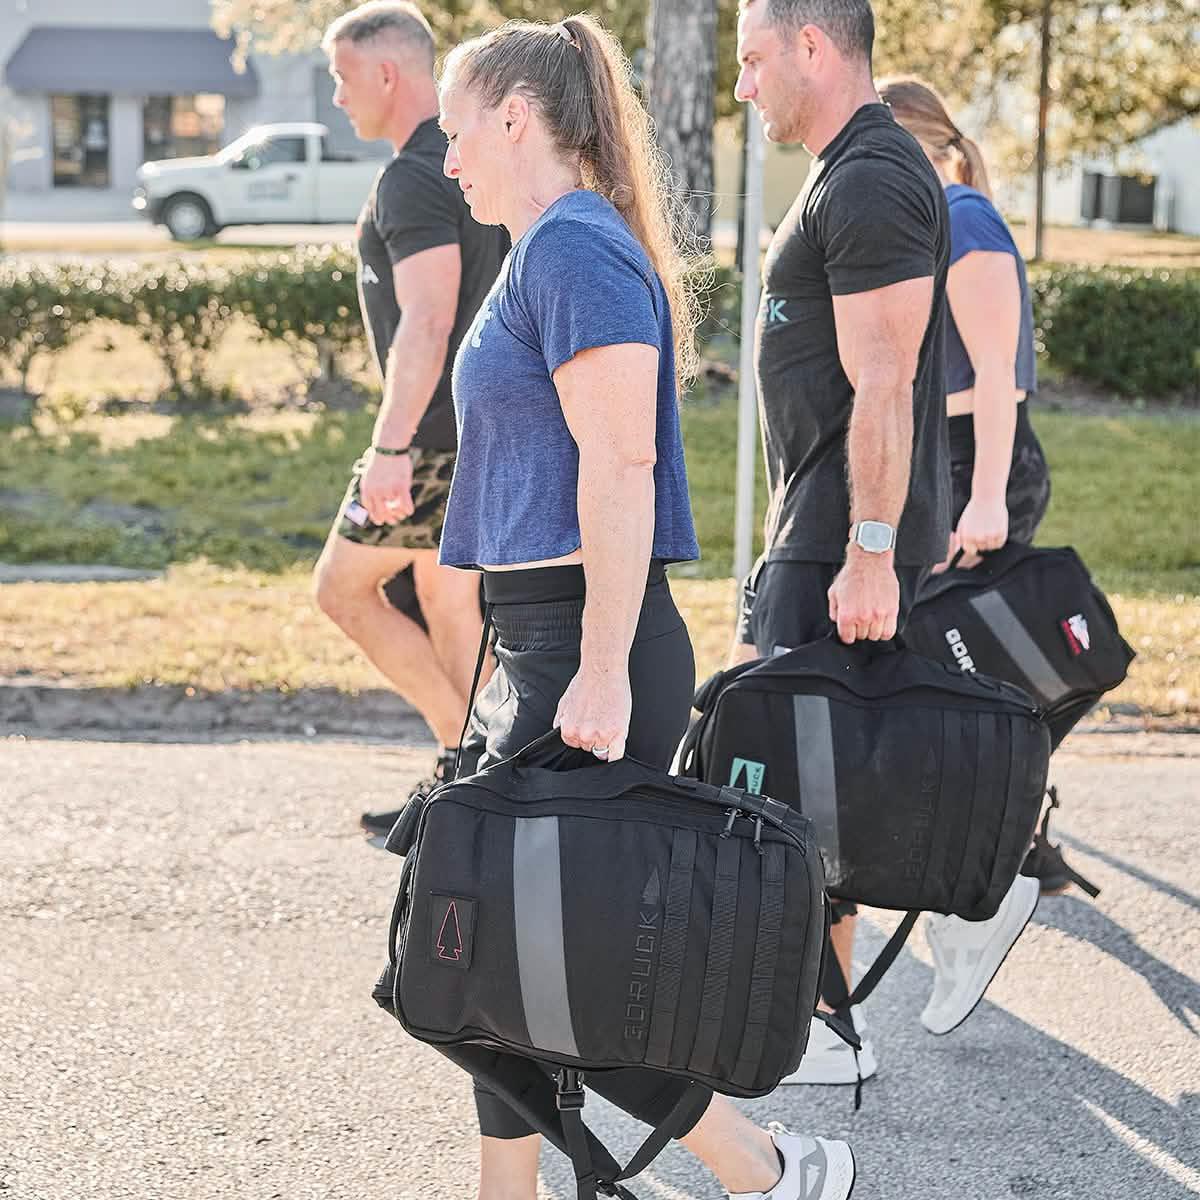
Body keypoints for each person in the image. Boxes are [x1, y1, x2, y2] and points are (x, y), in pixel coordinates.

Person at [435, 15, 855, 1200]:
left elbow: (617, 470)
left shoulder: (574, 253)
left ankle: (764, 1166)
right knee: (503, 944)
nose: (446, 157)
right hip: (543, 640)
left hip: (588, 643)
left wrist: (603, 668)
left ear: (514, 116)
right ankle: (511, 1191)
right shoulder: (543, 251)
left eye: (455, 131)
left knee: (508, 954)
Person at [730, 0, 953, 1086]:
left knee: (803, 787)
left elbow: (886, 377)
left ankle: (823, 1027)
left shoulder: (868, 175)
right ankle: (819, 1021)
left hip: (838, 539)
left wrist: (868, 551)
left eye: (753, 58)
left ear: (812, 46)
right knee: (813, 783)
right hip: (816, 528)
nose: (743, 84)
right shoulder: (839, 171)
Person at [877, 76, 1056, 1034]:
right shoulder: (940, 220)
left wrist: (982, 498)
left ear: (920, 144)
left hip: (973, 471)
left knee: (938, 700)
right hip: (939, 472)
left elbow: (994, 378)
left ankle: (980, 901)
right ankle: (985, 890)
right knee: (940, 696)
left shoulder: (965, 216)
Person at [312, 1, 508, 832]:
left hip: (428, 440)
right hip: (476, 433)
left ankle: (471, 769)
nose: (337, 96)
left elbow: (428, 319)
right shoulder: (465, 162)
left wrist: (390, 446)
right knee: (451, 610)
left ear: (387, 73)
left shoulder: (412, 178)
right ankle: (477, 784)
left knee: (341, 589)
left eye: (342, 77)